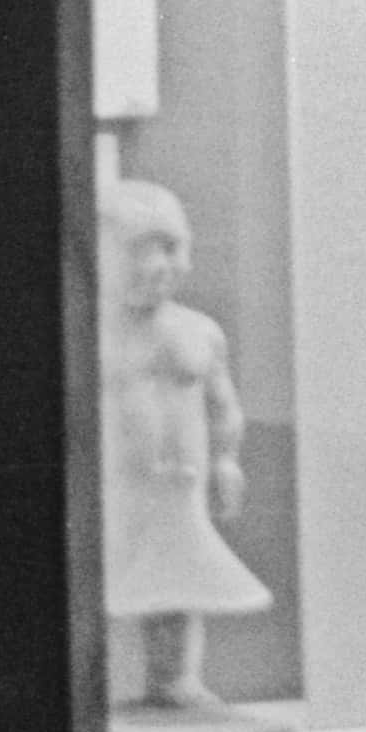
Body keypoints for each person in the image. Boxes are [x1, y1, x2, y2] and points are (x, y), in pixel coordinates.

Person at [96, 176, 272, 705]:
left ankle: (175, 680)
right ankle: (102, 689)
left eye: (170, 248)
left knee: (181, 582)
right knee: (110, 584)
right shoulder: (89, 334)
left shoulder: (200, 331)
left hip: (180, 487)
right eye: (138, 251)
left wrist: (227, 461)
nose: (158, 267)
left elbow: (223, 405)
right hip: (116, 488)